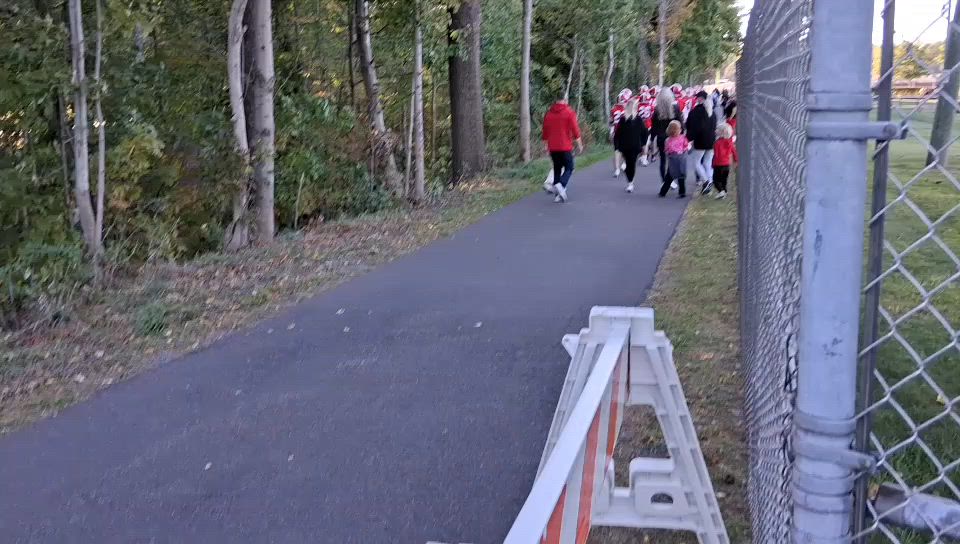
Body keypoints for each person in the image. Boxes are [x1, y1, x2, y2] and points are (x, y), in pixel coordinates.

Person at [541, 98, 584, 203]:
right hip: (565, 147)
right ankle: (561, 184)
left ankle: (558, 196)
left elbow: (545, 132)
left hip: (553, 147)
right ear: (564, 100)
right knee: (569, 167)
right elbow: (575, 130)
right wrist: (580, 145)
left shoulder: (549, 114)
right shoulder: (569, 112)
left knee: (557, 168)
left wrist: (545, 146)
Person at [613, 97, 649, 194]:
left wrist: (643, 144)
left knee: (631, 164)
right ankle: (629, 178)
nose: (635, 108)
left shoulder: (638, 119)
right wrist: (616, 146)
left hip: (635, 146)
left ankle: (630, 183)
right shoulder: (622, 120)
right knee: (628, 164)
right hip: (624, 146)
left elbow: (644, 132)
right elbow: (617, 134)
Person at [685, 90, 717, 195]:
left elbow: (691, 127)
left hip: (700, 140)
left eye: (697, 98)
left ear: (700, 99)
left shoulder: (696, 112)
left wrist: (689, 138)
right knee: (707, 162)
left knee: (696, 163)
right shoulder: (712, 112)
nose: (696, 99)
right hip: (711, 140)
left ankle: (705, 181)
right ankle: (710, 180)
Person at [651, 87, 682, 187]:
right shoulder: (675, 108)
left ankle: (664, 181)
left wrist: (652, 139)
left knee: (663, 160)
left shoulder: (657, 110)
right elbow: (680, 122)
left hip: (661, 137)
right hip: (673, 137)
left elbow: (654, 127)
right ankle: (670, 180)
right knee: (672, 160)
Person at [660, 120, 688, 198]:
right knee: (681, 176)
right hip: (681, 158)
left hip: (672, 158)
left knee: (669, 176)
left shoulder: (668, 140)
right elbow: (686, 147)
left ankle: (663, 192)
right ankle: (682, 192)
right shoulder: (683, 138)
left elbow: (666, 150)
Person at [610, 88, 632, 177]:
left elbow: (611, 121)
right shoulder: (628, 109)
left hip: (616, 132)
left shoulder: (613, 109)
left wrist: (611, 131)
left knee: (617, 151)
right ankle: (623, 164)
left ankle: (617, 169)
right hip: (625, 132)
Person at [712, 122, 737, 199]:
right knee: (724, 180)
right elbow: (734, 152)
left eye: (717, 130)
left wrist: (713, 163)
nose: (715, 131)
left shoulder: (717, 143)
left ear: (721, 132)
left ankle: (721, 191)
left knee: (716, 180)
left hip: (718, 164)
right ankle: (724, 192)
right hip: (726, 164)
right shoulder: (730, 142)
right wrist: (736, 160)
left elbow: (716, 154)